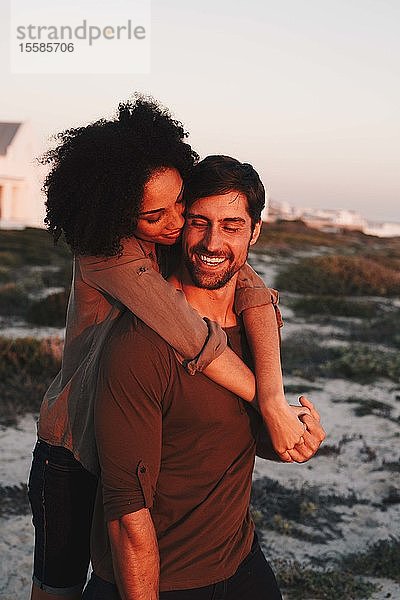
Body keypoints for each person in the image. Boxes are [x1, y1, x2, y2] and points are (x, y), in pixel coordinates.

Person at [28, 98, 312, 600]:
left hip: (126, 434)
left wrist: (274, 399)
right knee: (60, 586)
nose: (176, 223)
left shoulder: (175, 240)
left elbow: (250, 288)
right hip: (71, 446)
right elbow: (192, 337)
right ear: (118, 210)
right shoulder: (109, 251)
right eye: (154, 214)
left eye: (179, 203)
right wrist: (267, 402)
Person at [84, 155, 326, 599]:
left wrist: (287, 438)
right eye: (199, 222)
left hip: (240, 560)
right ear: (180, 225)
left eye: (232, 226)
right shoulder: (143, 343)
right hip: (160, 580)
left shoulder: (255, 326)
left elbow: (229, 435)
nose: (213, 243)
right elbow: (126, 516)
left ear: (255, 231)